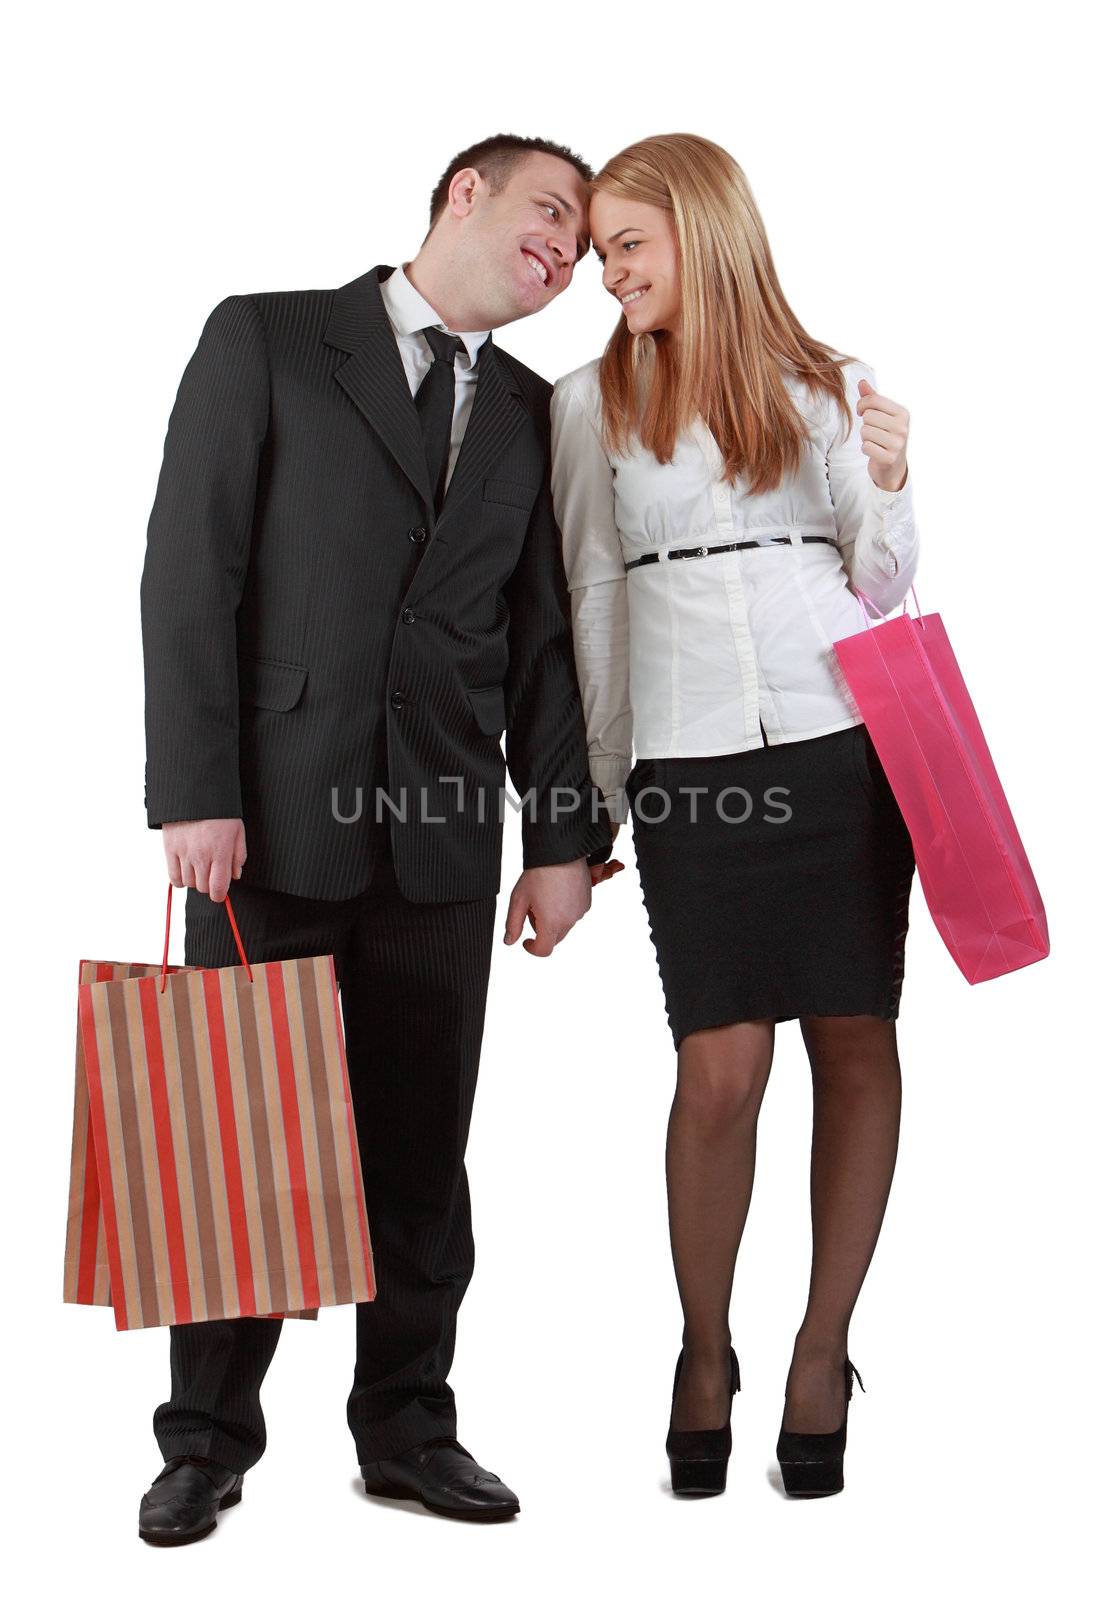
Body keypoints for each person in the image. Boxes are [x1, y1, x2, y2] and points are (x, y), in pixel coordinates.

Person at [137, 132, 615, 1542]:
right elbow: (189, 566)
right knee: (240, 1141)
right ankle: (206, 1440)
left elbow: (539, 646)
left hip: (444, 846)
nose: (562, 255)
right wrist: (191, 790)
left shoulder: (531, 412)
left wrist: (563, 839)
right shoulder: (270, 341)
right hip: (268, 823)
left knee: (421, 1155)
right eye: (549, 216)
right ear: (463, 194)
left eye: (581, 250)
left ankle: (408, 1429)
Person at [551, 133, 919, 1499]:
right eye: (598, 252)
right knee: (721, 1071)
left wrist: (885, 468)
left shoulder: (830, 382)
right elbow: (593, 593)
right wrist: (594, 792)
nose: (607, 274)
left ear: (701, 233)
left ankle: (823, 1350)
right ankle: (705, 1348)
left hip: (838, 750)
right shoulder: (589, 404)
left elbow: (881, 583)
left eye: (626, 246)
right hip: (690, 762)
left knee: (855, 1040)